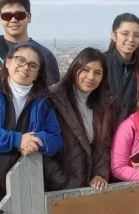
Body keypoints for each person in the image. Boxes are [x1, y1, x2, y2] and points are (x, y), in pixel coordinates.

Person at [0, 41, 63, 208]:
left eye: (32, 65)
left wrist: (36, 140)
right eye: (20, 60)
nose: (25, 67)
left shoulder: (42, 101)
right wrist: (16, 140)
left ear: (37, 73)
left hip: (27, 190)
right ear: (7, 62)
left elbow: (56, 140)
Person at [43, 47, 115, 191]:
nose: (90, 77)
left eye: (97, 73)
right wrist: (62, 181)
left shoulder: (104, 104)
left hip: (90, 187)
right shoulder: (53, 99)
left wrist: (100, 174)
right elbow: (44, 147)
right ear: (74, 68)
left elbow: (103, 144)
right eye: (85, 70)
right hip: (58, 188)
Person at [104, 13, 139, 124]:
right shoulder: (101, 64)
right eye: (125, 34)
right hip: (102, 132)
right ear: (114, 36)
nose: (131, 39)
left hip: (132, 132)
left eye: (136, 35)